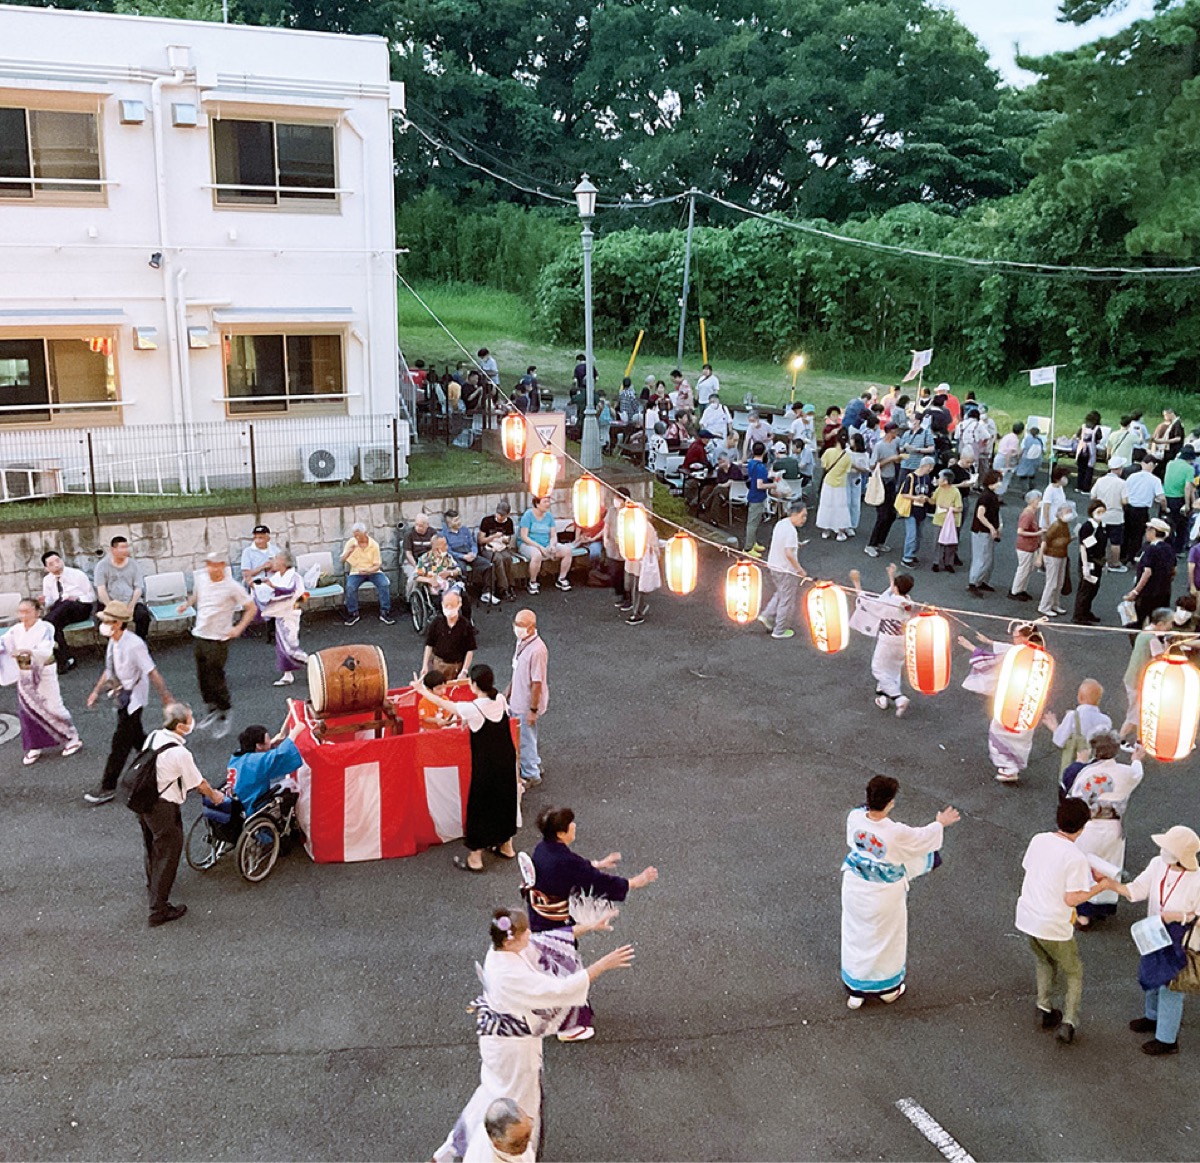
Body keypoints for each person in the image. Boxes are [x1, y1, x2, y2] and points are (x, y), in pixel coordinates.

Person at [431, 906, 635, 1163]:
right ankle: (518, 1154)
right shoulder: (509, 975)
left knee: (493, 1097)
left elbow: (546, 941)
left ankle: (449, 1151)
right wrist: (603, 965)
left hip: (500, 1041)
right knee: (519, 1109)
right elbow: (561, 990)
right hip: (513, 1050)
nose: (531, 934)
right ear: (510, 938)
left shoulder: (501, 951)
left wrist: (589, 926)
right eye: (525, 930)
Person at [526, 806, 659, 1041]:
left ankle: (542, 1006)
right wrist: (634, 882)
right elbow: (593, 880)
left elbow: (576, 868)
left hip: (539, 915)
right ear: (560, 833)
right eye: (570, 825)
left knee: (549, 965)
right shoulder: (565, 861)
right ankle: (569, 1026)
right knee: (566, 967)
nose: (574, 826)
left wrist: (598, 863)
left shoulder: (542, 849)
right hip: (555, 921)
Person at [840, 775, 959, 1008]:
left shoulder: (854, 818)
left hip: (855, 884)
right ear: (890, 802)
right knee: (887, 937)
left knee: (856, 934)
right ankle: (887, 988)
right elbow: (922, 839)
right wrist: (940, 823)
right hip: (884, 892)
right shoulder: (895, 832)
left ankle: (856, 990)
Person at [1015, 798, 1119, 1045]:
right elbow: (1072, 898)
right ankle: (1069, 1022)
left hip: (1028, 915)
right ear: (1083, 827)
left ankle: (1044, 1008)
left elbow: (1031, 867)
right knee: (1074, 972)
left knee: (1043, 960)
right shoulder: (1075, 857)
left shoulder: (1039, 839)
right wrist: (1100, 885)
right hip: (1054, 924)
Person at [414, 664, 518, 873]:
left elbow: (449, 707)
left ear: (474, 684)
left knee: (480, 806)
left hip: (486, 766)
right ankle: (506, 845)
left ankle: (475, 858)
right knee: (505, 800)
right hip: (506, 761)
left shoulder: (474, 708)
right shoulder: (499, 700)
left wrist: (421, 690)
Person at [1108, 826, 1200, 1055]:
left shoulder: (1198, 881)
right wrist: (1110, 885)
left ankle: (1167, 1039)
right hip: (1156, 933)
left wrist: (1179, 916)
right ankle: (1153, 1017)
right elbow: (1137, 890)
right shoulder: (1157, 864)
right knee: (1151, 976)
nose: (1163, 851)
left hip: (1181, 942)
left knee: (1171, 988)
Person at [136, 703, 226, 928]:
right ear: (180, 726)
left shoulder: (154, 737)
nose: (192, 721)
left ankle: (153, 884)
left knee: (153, 846)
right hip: (163, 807)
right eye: (189, 718)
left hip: (143, 800)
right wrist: (216, 796)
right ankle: (158, 908)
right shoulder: (179, 753)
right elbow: (199, 783)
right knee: (169, 850)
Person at [83, 601, 173, 805]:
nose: (103, 624)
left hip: (134, 700)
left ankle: (107, 786)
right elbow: (109, 669)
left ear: (117, 623)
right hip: (122, 697)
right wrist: (96, 691)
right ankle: (163, 765)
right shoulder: (114, 641)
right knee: (138, 739)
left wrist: (166, 696)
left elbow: (152, 671)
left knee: (119, 745)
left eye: (106, 620)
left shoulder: (134, 645)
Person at [1059, 731, 1144, 929]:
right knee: (1108, 866)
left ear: (1095, 750)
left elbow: (1068, 793)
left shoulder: (1084, 773)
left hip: (1088, 827)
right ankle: (1102, 907)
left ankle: (1082, 914)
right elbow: (1137, 774)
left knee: (1084, 868)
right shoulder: (1125, 773)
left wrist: (1079, 762)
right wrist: (1137, 759)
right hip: (1113, 827)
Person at [180, 552, 256, 739]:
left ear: (222, 565)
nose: (212, 569)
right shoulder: (202, 579)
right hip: (200, 634)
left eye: (216, 565)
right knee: (203, 677)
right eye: (209, 565)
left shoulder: (232, 586)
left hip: (219, 638)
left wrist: (238, 628)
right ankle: (212, 709)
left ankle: (225, 711)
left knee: (216, 677)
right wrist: (187, 604)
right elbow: (198, 595)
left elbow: (251, 607)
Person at [0, 597, 83, 767]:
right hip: (24, 672)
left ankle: (71, 738)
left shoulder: (46, 627)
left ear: (37, 612)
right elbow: (4, 644)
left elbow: (46, 649)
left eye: (27, 611)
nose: (23, 615)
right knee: (27, 709)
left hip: (44, 670)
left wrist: (28, 651)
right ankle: (34, 746)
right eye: (20, 612)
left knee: (53, 705)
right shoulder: (15, 630)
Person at [960, 623, 1043, 783]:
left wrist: (970, 646)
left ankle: (1008, 768)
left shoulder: (1015, 654)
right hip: (1030, 702)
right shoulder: (1038, 653)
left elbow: (990, 660)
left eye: (1016, 635)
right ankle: (1014, 764)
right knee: (1023, 735)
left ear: (1025, 637)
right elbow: (1008, 648)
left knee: (998, 732)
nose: (1013, 638)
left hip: (1011, 700)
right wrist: (990, 642)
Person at [849, 565, 914, 717]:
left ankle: (898, 698)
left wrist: (856, 582)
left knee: (878, 667)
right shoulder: (908, 602)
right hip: (903, 640)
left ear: (897, 588)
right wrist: (891, 576)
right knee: (892, 669)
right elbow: (892, 593)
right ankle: (883, 697)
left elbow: (867, 602)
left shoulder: (890, 605)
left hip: (888, 639)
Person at [506, 609, 548, 788]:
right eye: (516, 624)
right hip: (517, 698)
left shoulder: (537, 650)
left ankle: (531, 773)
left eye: (521, 625)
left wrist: (532, 709)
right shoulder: (522, 642)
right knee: (526, 736)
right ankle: (533, 764)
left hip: (525, 703)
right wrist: (508, 691)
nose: (517, 628)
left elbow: (537, 682)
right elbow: (517, 671)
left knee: (524, 738)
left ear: (532, 627)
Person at [253, 550, 308, 686]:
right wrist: (257, 587)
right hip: (279, 613)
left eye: (276, 560)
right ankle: (287, 674)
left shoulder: (295, 578)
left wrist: (274, 588)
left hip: (290, 614)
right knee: (282, 645)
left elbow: (299, 593)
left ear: (284, 562)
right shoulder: (277, 577)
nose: (274, 562)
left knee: (290, 645)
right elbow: (269, 592)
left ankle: (312, 662)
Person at [225, 723, 303, 815]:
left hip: (237, 801)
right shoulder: (255, 762)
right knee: (291, 787)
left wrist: (273, 743)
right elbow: (282, 755)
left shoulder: (237, 758)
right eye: (268, 740)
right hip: (250, 807)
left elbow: (263, 758)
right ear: (259, 746)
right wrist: (294, 733)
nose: (270, 742)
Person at [1120, 608, 1173, 743]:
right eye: (1169, 623)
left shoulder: (1145, 632)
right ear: (1161, 624)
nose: (1171, 626)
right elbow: (1160, 658)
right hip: (1138, 681)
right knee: (1135, 714)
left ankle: (1140, 740)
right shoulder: (1152, 639)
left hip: (1132, 678)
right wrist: (1168, 645)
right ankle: (1120, 739)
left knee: (1139, 712)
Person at [759, 500, 809, 640]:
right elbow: (788, 553)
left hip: (774, 565)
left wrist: (796, 545)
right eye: (803, 515)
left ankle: (767, 615)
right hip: (786, 570)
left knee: (781, 592)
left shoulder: (781, 524)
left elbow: (783, 543)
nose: (804, 519)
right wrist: (799, 570)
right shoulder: (791, 531)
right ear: (794, 514)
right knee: (787, 599)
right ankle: (780, 630)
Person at [40, 550, 95, 671]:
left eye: (58, 561)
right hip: (61, 610)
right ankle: (67, 658)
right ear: (46, 568)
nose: (56, 564)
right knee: (55, 624)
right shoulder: (47, 580)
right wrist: (44, 601)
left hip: (80, 607)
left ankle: (44, 627)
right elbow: (51, 601)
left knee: (63, 605)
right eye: (51, 564)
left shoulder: (77, 574)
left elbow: (92, 596)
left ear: (62, 560)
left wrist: (77, 598)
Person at [1044, 679, 1112, 774]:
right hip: (1095, 769)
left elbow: (1059, 740)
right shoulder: (1106, 721)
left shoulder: (1073, 716)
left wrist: (1054, 727)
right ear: (1099, 700)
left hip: (1073, 765)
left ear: (1080, 697)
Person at [93, 536, 150, 640]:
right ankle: (115, 646)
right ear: (113, 550)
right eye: (122, 547)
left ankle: (140, 642)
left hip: (130, 601)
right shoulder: (102, 566)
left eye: (126, 547)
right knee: (107, 623)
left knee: (143, 616)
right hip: (110, 602)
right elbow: (101, 590)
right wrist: (112, 607)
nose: (125, 550)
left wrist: (131, 606)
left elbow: (138, 588)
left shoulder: (134, 565)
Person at [341, 522, 395, 626]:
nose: (356, 537)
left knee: (384, 583)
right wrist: (349, 551)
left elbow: (377, 565)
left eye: (358, 535)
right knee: (350, 586)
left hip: (373, 571)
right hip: (356, 572)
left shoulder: (374, 545)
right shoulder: (351, 543)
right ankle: (353, 613)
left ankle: (385, 612)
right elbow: (342, 560)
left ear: (365, 533)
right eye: (355, 535)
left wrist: (368, 571)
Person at [1125, 518, 1176, 628]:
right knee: (1158, 621)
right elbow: (1173, 570)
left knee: (1139, 621)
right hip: (1164, 591)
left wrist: (1135, 591)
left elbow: (1147, 572)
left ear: (1154, 531)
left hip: (1148, 592)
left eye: (1148, 529)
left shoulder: (1151, 549)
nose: (1146, 531)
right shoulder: (1169, 549)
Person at [864, 422, 903, 558]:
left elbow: (896, 458)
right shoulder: (879, 446)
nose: (897, 434)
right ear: (889, 432)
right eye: (895, 431)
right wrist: (890, 459)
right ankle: (871, 544)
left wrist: (897, 459)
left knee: (891, 514)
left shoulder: (895, 443)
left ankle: (880, 541)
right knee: (882, 515)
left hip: (891, 480)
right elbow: (872, 465)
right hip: (882, 482)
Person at [519, 496, 573, 595]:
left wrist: (552, 545)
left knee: (567, 550)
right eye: (545, 502)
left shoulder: (549, 517)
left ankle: (561, 578)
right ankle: (533, 582)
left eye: (548, 502)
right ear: (537, 504)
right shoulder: (528, 515)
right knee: (537, 555)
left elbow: (553, 535)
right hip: (529, 544)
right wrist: (539, 547)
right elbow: (524, 537)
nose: (548, 504)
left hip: (546, 543)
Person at [445, 509, 498, 606]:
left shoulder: (465, 530)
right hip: (457, 557)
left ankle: (487, 593)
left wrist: (473, 553)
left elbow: (473, 543)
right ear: (449, 523)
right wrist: (463, 556)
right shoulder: (444, 534)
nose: (459, 522)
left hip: (470, 554)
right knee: (461, 569)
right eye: (455, 520)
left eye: (459, 519)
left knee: (488, 565)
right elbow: (448, 551)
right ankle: (463, 595)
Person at [421, 590, 477, 681]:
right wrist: (425, 666)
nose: (449, 608)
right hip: (438, 665)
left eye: (452, 605)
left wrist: (464, 671)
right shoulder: (436, 623)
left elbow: (470, 650)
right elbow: (429, 645)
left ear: (459, 605)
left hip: (456, 666)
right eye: (446, 605)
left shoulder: (465, 625)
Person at [1122, 453, 1166, 565]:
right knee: (1137, 535)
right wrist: (1165, 508)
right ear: (1153, 465)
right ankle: (1132, 556)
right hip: (1141, 509)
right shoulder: (1155, 480)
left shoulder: (1132, 476)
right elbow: (1161, 498)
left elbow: (1124, 491)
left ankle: (1123, 554)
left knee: (1126, 532)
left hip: (1129, 507)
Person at [966, 469, 1003, 594]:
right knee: (981, 558)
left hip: (985, 531)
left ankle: (981, 581)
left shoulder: (991, 495)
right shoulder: (986, 497)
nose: (1000, 484)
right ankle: (974, 582)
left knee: (987, 558)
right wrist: (992, 528)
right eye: (998, 481)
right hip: (981, 531)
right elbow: (980, 515)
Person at [463, 1098, 535, 1163]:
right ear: (497, 1143)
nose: (528, 1141)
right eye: (517, 1144)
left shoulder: (490, 1127)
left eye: (527, 1134)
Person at [1073, 499, 1108, 624]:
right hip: (1088, 561)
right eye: (1099, 511)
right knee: (1085, 589)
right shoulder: (1088, 527)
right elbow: (1083, 547)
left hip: (1098, 561)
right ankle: (1079, 615)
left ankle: (1087, 611)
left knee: (1094, 588)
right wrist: (1085, 566)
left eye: (1103, 511)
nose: (1101, 514)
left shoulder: (1102, 526)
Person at [1038, 503, 1075, 617]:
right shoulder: (1056, 525)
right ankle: (1044, 606)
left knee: (1059, 583)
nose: (1070, 514)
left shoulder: (1064, 524)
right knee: (1052, 583)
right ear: (1060, 514)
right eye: (1067, 512)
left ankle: (1054, 604)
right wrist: (1040, 557)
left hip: (1061, 555)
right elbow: (1045, 539)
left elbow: (1064, 540)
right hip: (1052, 555)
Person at [1090, 464, 1128, 574]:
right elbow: (1125, 501)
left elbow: (1093, 496)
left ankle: (1099, 560)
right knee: (1116, 542)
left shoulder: (1100, 480)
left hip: (1101, 515)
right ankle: (1114, 563)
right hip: (1116, 516)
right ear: (1119, 469)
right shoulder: (1122, 483)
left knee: (1100, 539)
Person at [898, 456, 935, 567]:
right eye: (930, 467)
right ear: (926, 465)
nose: (931, 470)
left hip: (922, 509)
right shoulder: (910, 477)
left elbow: (930, 491)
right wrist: (916, 498)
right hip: (911, 509)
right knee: (912, 534)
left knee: (918, 534)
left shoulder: (927, 478)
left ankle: (912, 553)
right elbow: (904, 493)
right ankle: (906, 557)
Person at [1008, 490, 1044, 603]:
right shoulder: (1027, 514)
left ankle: (1022, 589)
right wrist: (1036, 534)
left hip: (1031, 546)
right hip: (1025, 546)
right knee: (1023, 569)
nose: (1040, 502)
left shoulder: (1032, 513)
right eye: (1039, 499)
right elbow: (1020, 531)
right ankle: (1015, 591)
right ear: (1033, 501)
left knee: (1028, 569)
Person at [479, 500, 518, 603]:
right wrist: (493, 537)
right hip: (488, 547)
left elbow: (509, 539)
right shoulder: (487, 521)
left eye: (503, 515)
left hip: (501, 546)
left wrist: (506, 540)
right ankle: (503, 588)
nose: (500, 517)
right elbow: (480, 540)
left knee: (508, 558)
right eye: (499, 514)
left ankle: (511, 585)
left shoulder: (509, 522)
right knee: (498, 559)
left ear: (507, 515)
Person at [929, 468, 962, 573]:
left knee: (950, 543)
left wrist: (949, 508)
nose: (937, 479)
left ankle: (948, 562)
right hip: (939, 519)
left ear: (945, 481)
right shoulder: (939, 489)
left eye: (939, 478)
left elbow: (959, 508)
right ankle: (936, 562)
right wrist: (926, 498)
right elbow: (933, 501)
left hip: (952, 522)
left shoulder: (955, 492)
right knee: (937, 542)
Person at [1164, 446, 1196, 554]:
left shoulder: (1170, 464)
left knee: (1168, 524)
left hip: (1167, 497)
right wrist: (1187, 504)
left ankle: (1167, 547)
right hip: (1179, 498)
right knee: (1181, 526)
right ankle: (1177, 550)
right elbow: (1188, 487)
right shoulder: (1189, 469)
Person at [744, 441, 774, 552]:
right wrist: (773, 485)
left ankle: (753, 542)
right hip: (757, 497)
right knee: (752, 524)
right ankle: (748, 547)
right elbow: (760, 485)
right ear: (764, 452)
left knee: (755, 522)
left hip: (752, 495)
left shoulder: (751, 463)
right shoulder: (761, 468)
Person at [402, 512, 437, 597]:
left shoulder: (433, 533)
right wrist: (417, 566)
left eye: (421, 526)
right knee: (413, 578)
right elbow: (408, 554)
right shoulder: (409, 534)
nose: (418, 528)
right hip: (412, 561)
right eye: (416, 524)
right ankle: (410, 598)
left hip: (428, 561)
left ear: (427, 525)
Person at [239, 524, 279, 588]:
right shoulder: (248, 552)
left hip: (274, 582)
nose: (257, 541)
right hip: (257, 584)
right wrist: (262, 567)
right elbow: (246, 574)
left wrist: (273, 566)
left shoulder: (275, 550)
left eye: (261, 538)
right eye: (255, 538)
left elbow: (283, 569)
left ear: (268, 538)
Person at [1074, 411, 1103, 493]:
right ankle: (1085, 488)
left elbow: (1078, 436)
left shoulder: (1083, 426)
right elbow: (1098, 439)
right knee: (1089, 470)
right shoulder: (1097, 429)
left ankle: (1079, 486)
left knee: (1080, 469)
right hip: (1091, 450)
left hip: (1081, 449)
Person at [995, 421, 1024, 496]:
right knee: (1004, 479)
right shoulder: (1014, 440)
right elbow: (1009, 453)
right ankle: (999, 497)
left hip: (999, 456)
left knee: (997, 478)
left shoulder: (1007, 436)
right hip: (1004, 460)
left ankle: (996, 496)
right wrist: (1007, 466)